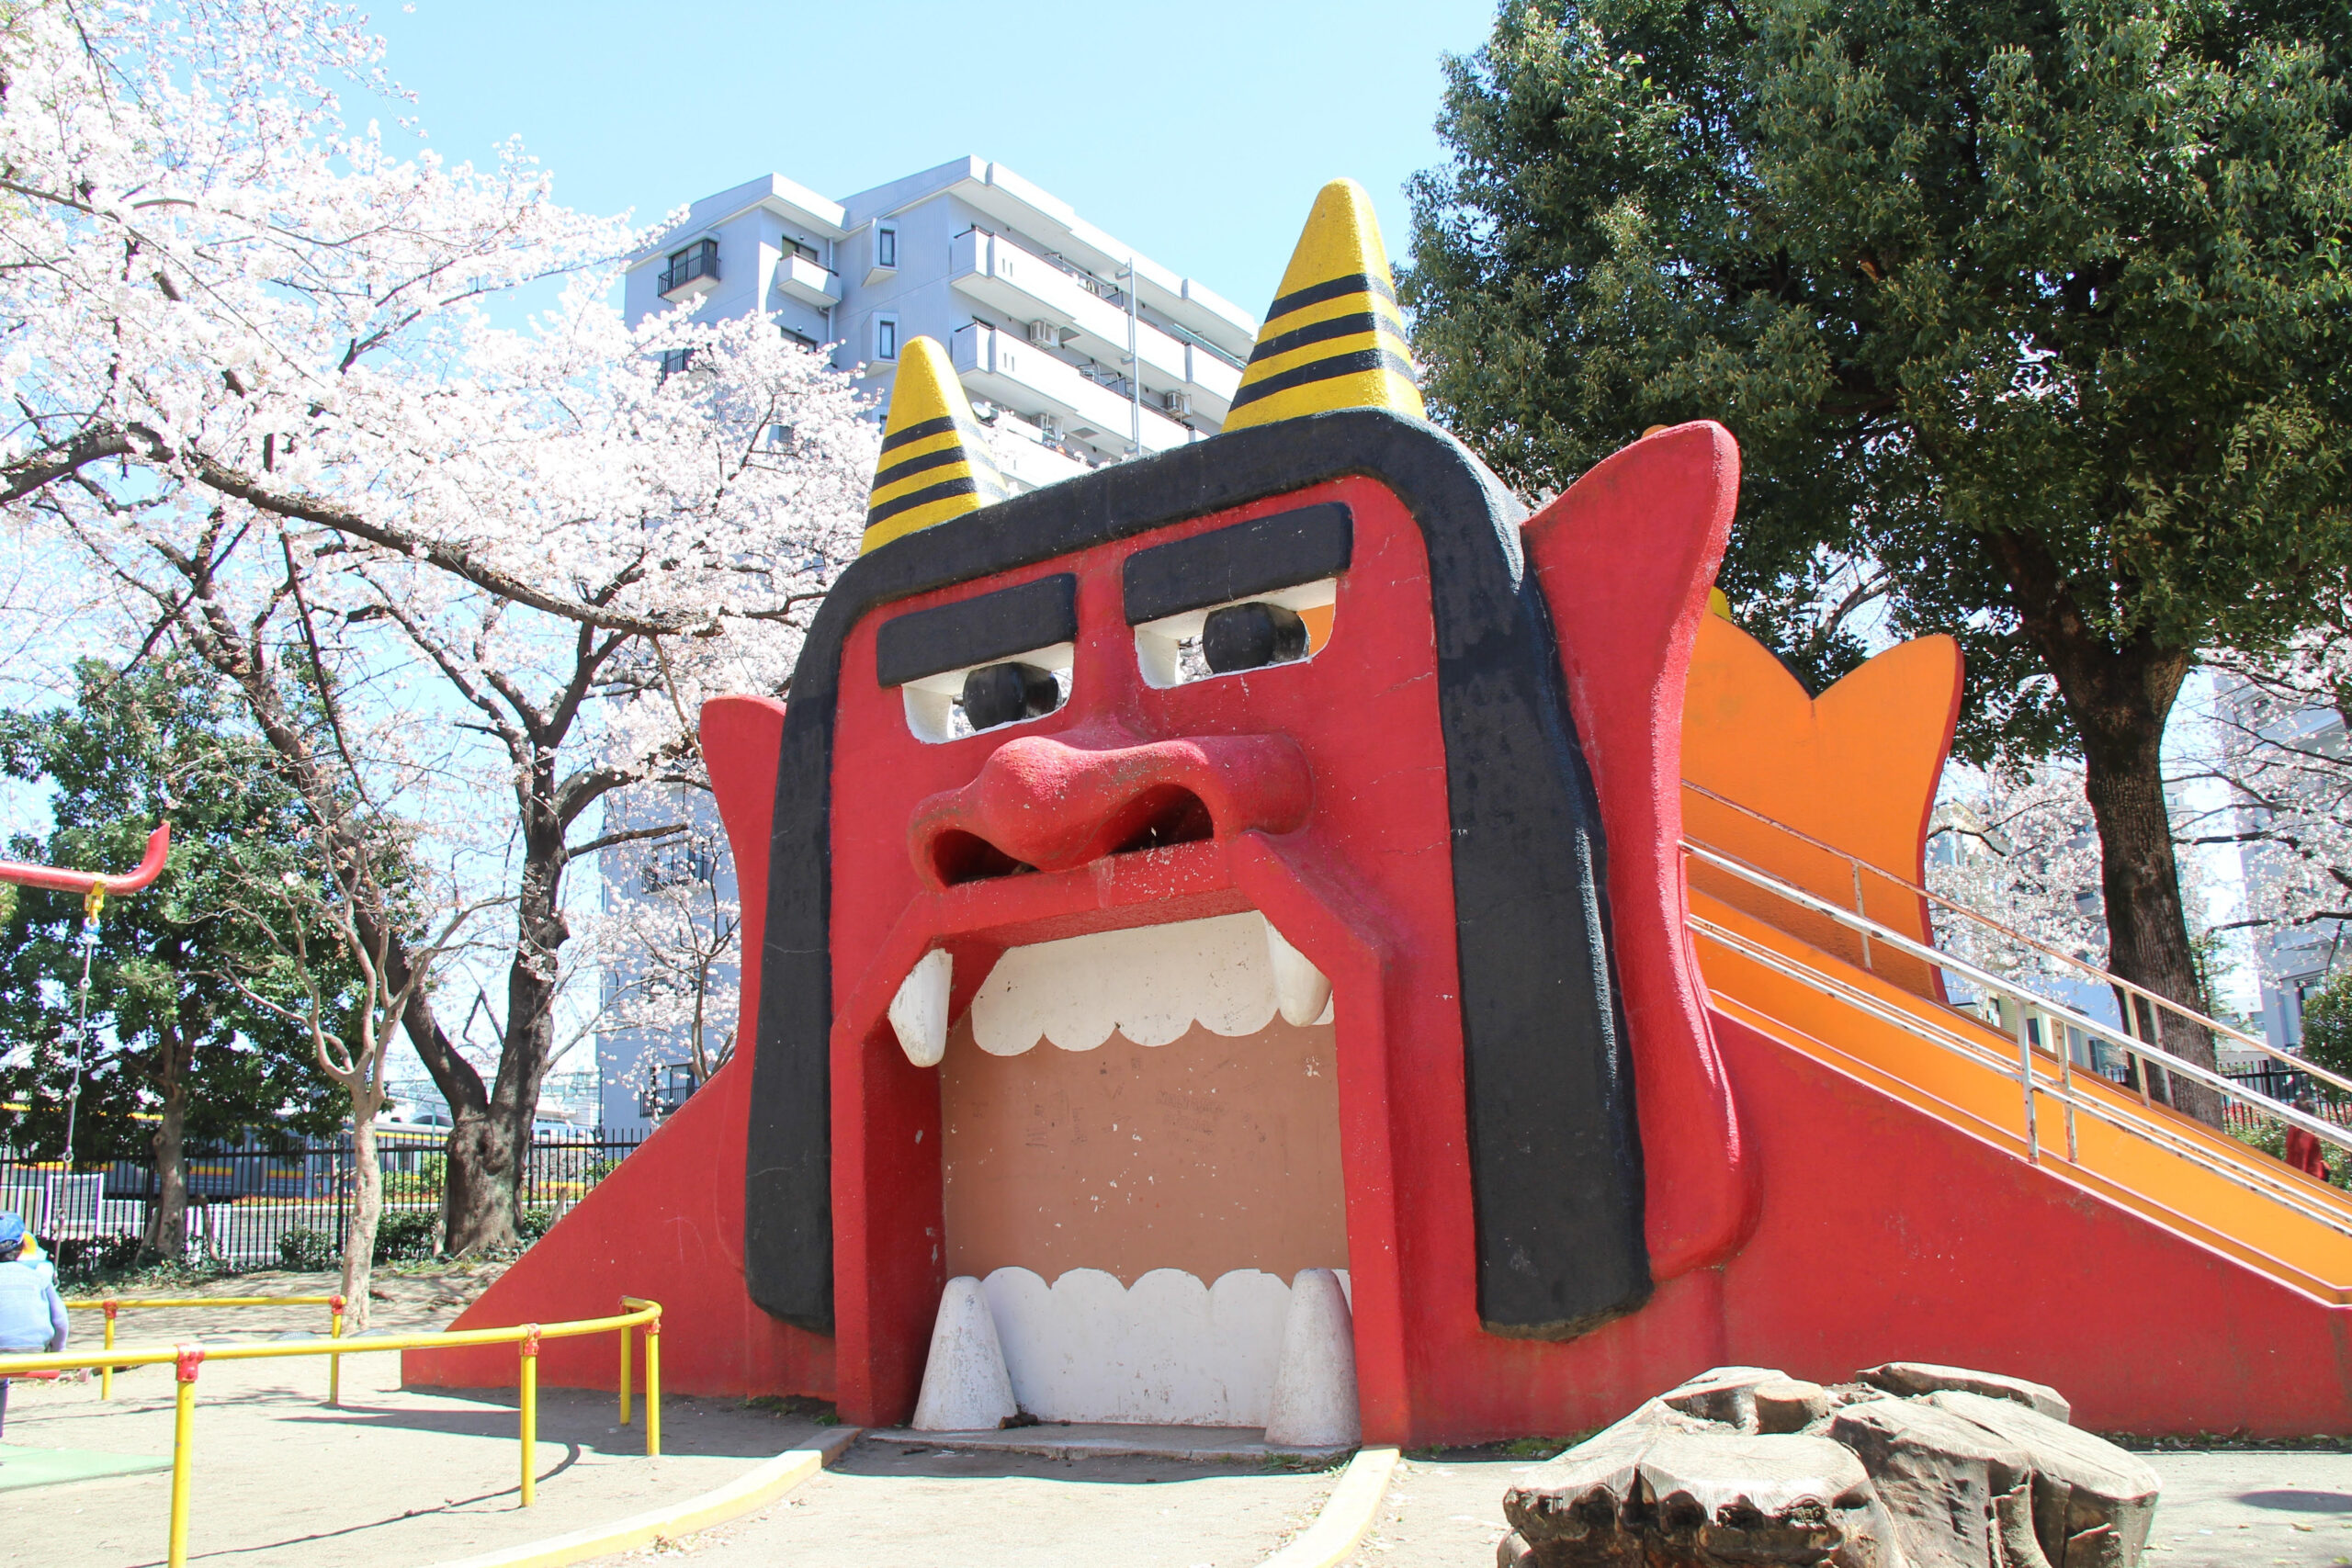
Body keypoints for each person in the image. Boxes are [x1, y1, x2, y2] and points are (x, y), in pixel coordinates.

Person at [0, 1211, 69, 1443]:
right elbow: (60, 1320)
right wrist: (58, 1354)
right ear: (22, 1246)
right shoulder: (39, 1276)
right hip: (33, 1352)